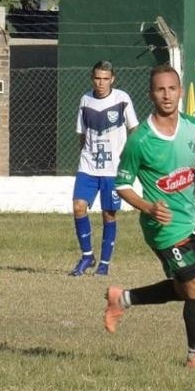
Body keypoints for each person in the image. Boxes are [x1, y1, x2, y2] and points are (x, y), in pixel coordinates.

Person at [103, 65, 195, 370]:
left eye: (172, 88)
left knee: (185, 290)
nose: (166, 95)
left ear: (180, 92)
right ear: (150, 94)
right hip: (163, 227)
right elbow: (123, 184)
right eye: (160, 89)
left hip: (190, 222)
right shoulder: (140, 140)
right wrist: (148, 207)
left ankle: (122, 299)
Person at [70, 61, 139, 276]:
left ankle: (104, 264)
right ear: (92, 78)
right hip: (88, 166)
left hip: (113, 169)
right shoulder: (85, 100)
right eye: (97, 78)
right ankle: (87, 256)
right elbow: (82, 134)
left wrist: (128, 156)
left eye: (105, 78)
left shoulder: (121, 99)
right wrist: (85, 155)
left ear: (112, 79)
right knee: (78, 207)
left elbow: (134, 129)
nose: (101, 83)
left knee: (108, 214)